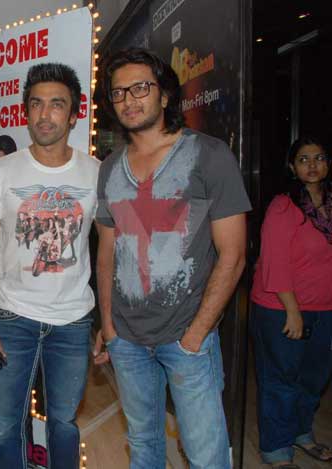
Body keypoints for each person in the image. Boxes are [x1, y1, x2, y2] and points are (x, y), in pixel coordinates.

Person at [93, 48, 250, 469]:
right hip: (126, 339)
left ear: (164, 95)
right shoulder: (109, 169)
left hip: (187, 338)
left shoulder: (208, 154)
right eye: (119, 92)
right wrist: (108, 326)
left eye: (140, 88)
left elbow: (233, 254)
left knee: (205, 454)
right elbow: (106, 252)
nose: (129, 99)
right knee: (144, 444)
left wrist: (197, 333)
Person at [0, 63, 99, 468]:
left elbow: (112, 249)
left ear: (74, 114)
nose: (45, 114)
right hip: (12, 318)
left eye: (57, 105)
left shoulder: (96, 173)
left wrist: (108, 324)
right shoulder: (2, 171)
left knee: (64, 423)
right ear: (26, 111)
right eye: (37, 104)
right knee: (7, 425)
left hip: (73, 320)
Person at [250, 136, 332, 468]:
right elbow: (274, 263)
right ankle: (276, 447)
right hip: (281, 308)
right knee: (281, 378)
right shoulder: (283, 207)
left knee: (315, 377)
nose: (312, 165)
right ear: (292, 166)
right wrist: (292, 311)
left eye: (319, 157)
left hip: (325, 308)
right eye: (303, 159)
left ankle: (301, 432)